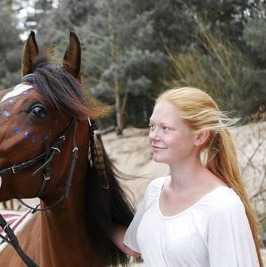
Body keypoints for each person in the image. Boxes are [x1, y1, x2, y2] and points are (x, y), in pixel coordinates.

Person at [112, 87, 264, 267]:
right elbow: (132, 246)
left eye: (165, 128)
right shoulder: (155, 190)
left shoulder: (222, 207)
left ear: (199, 136)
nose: (153, 136)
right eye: (152, 126)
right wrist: (95, 217)